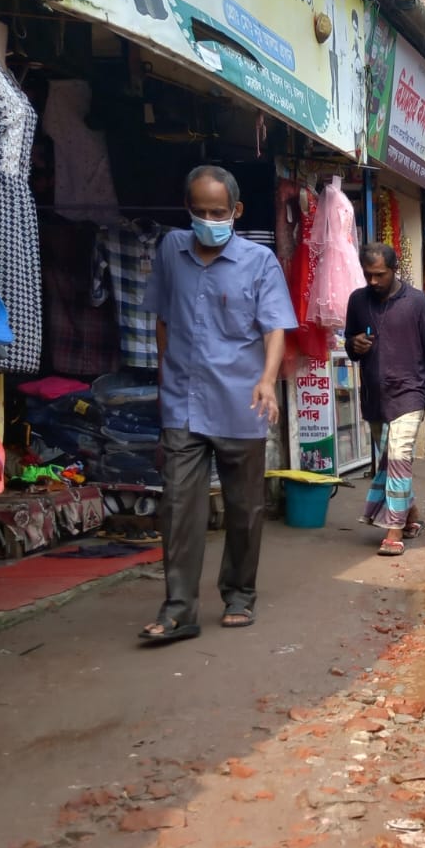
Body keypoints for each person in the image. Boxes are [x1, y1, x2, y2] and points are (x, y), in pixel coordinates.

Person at [139, 166, 296, 644]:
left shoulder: (259, 261)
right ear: (188, 210)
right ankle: (179, 609)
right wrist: (166, 371)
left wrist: (268, 381)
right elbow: (163, 316)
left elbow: (275, 328)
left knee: (244, 506)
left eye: (218, 212)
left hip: (241, 401)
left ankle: (239, 594)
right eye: (200, 212)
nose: (209, 220)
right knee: (179, 505)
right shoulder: (171, 250)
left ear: (236, 212)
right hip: (183, 401)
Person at [344, 243, 425, 556]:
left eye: (380, 274)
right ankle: (412, 514)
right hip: (375, 396)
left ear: (394, 270)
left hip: (410, 393)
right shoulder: (357, 300)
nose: (374, 281)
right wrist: (355, 345)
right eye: (369, 275)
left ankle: (393, 531)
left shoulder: (417, 303)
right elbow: (349, 345)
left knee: (398, 455)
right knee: (390, 461)